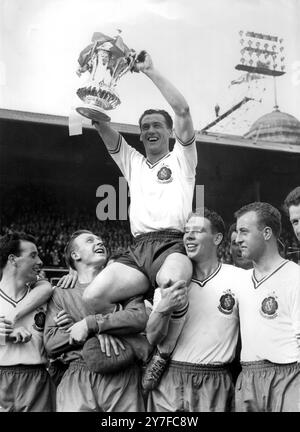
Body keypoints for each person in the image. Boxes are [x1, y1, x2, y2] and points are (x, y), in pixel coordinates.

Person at [83, 51, 197, 387]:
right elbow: (101, 124)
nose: (149, 131)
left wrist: (149, 70)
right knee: (92, 297)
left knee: (174, 284)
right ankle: (127, 335)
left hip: (172, 243)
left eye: (156, 126)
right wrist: (95, 83)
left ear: (169, 133)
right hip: (137, 250)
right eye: (144, 126)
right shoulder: (131, 161)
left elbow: (183, 110)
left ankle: (162, 354)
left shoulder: (182, 158)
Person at [146, 209, 244, 412]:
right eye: (186, 231)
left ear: (217, 238)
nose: (188, 236)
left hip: (215, 378)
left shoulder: (239, 279)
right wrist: (164, 308)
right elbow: (153, 338)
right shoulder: (170, 280)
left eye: (197, 231)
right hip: (170, 378)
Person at [44, 230, 147, 412]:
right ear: (75, 255)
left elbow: (138, 317)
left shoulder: (126, 284)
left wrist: (91, 325)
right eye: (90, 240)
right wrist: (100, 330)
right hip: (78, 373)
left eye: (100, 240)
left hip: (122, 372)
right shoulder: (60, 293)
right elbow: (51, 344)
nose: (99, 242)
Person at [234, 202, 300, 412]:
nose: (237, 239)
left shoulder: (295, 276)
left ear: (266, 233)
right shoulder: (239, 281)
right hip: (248, 377)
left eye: (244, 231)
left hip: (288, 377)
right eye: (237, 232)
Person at [0, 232, 53, 412]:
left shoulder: (47, 296)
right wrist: (4, 335)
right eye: (33, 255)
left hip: (37, 380)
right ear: (13, 259)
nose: (40, 261)